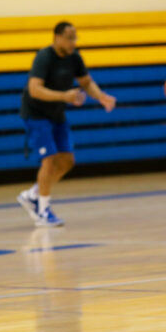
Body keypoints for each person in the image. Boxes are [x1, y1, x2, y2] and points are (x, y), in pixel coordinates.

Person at [17, 22, 115, 226]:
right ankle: (43, 211)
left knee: (67, 161)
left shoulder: (74, 58)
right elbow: (34, 90)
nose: (73, 42)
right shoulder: (44, 57)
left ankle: (33, 194)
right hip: (36, 114)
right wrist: (65, 95)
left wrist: (102, 97)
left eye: (75, 37)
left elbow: (86, 82)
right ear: (57, 37)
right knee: (50, 160)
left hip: (56, 113)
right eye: (69, 37)